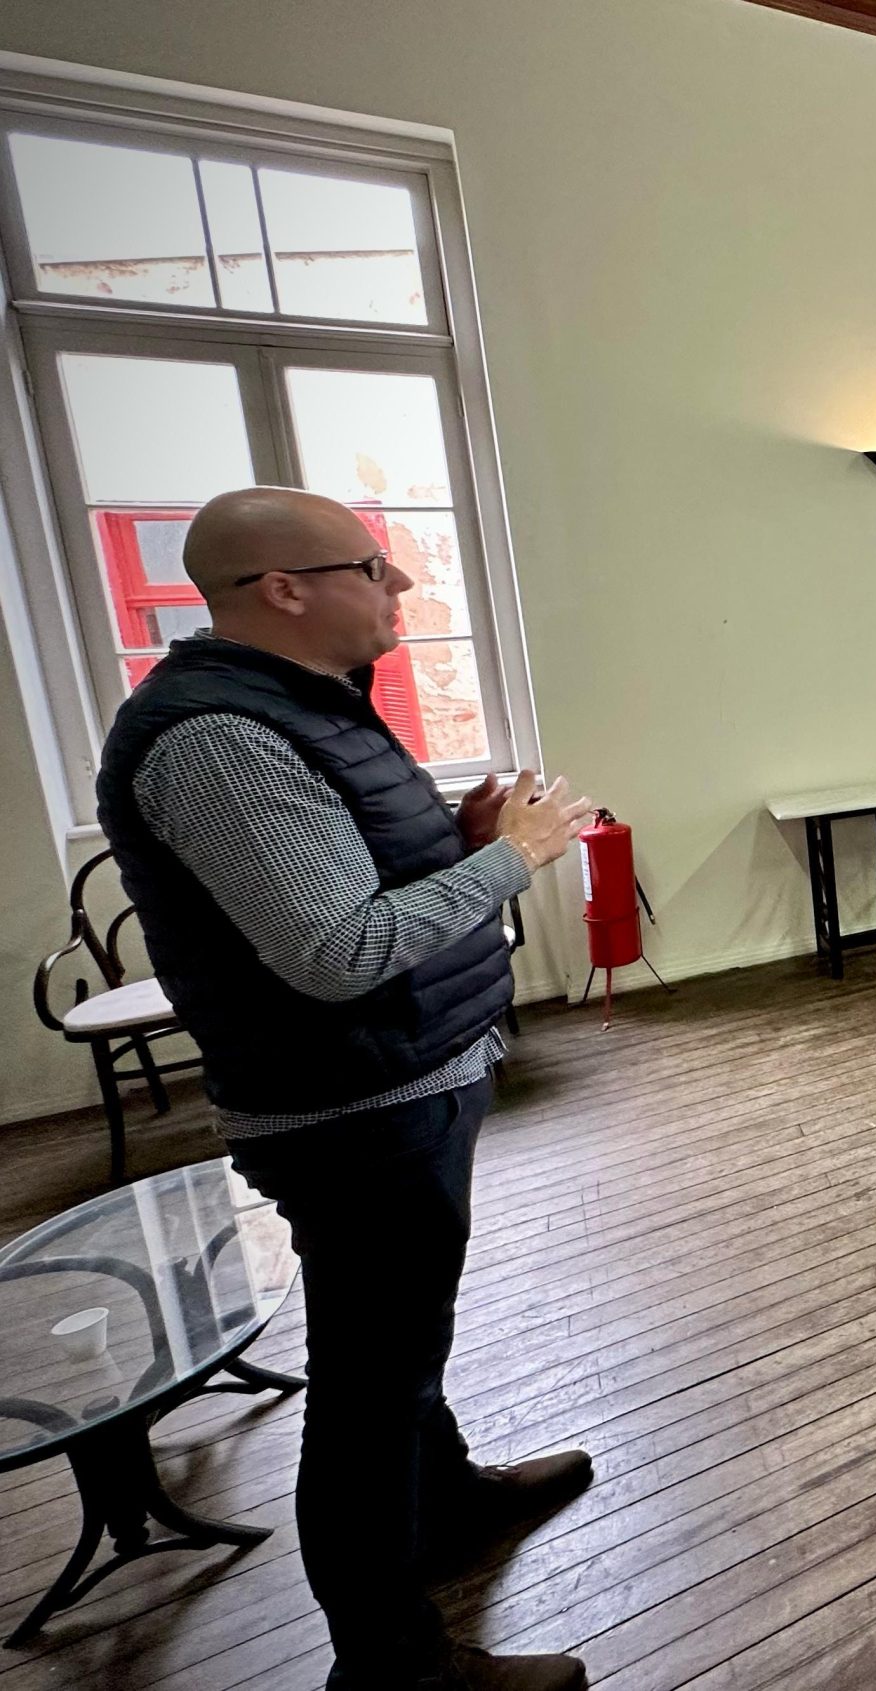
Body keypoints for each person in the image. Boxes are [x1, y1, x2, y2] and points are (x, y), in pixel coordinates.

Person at [94, 488, 594, 1691]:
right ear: (284, 588)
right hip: (351, 1106)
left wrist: (458, 841)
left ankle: (446, 1501)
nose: (400, 584)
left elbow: (357, 884)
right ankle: (390, 1662)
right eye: (374, 566)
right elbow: (339, 952)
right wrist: (511, 858)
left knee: (406, 1341)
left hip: (404, 1074)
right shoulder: (218, 738)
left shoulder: (305, 703)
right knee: (370, 1383)